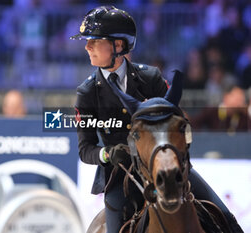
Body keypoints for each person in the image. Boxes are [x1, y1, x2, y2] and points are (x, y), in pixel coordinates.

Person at [70, 6, 243, 233]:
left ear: (118, 45)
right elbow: (86, 149)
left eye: (94, 41)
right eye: (87, 41)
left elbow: (176, 121)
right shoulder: (87, 92)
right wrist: (108, 153)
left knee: (226, 217)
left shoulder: (150, 77)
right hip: (122, 176)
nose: (87, 47)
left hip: (166, 164)